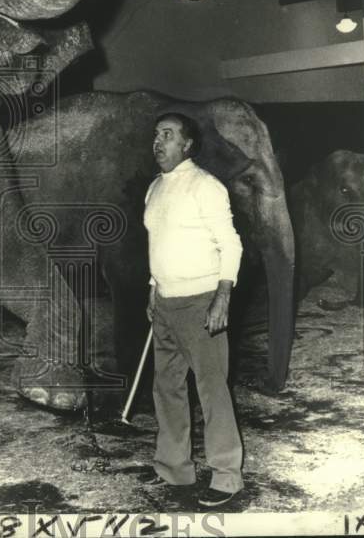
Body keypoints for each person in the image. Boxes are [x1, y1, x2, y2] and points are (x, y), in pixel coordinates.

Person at [140, 112, 244, 509]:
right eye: (155, 134)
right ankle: (174, 468)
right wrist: (153, 289)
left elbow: (230, 246)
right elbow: (160, 244)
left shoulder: (206, 186)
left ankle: (227, 476)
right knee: (166, 389)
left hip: (201, 302)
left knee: (212, 390)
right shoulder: (154, 188)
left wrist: (223, 298)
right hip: (165, 302)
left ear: (187, 145)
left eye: (167, 134)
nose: (158, 141)